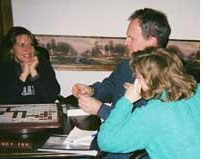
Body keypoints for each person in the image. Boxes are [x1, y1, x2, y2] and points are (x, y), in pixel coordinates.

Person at [72, 8, 171, 158]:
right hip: (107, 140)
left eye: (132, 38)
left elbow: (140, 127)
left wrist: (100, 110)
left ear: (152, 41)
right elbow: (110, 86)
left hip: (131, 151)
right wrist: (92, 91)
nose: (126, 43)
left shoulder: (168, 76)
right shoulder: (126, 65)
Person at [97, 47, 199, 159]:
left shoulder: (153, 113)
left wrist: (127, 101)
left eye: (137, 76)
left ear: (148, 80)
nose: (135, 79)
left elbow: (106, 141)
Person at [0, 26, 60, 104]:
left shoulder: (43, 64)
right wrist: (23, 75)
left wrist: (34, 73)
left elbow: (51, 97)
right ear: (11, 50)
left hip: (39, 112)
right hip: (13, 113)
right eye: (22, 45)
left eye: (30, 44)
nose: (28, 49)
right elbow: (3, 100)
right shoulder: (2, 67)